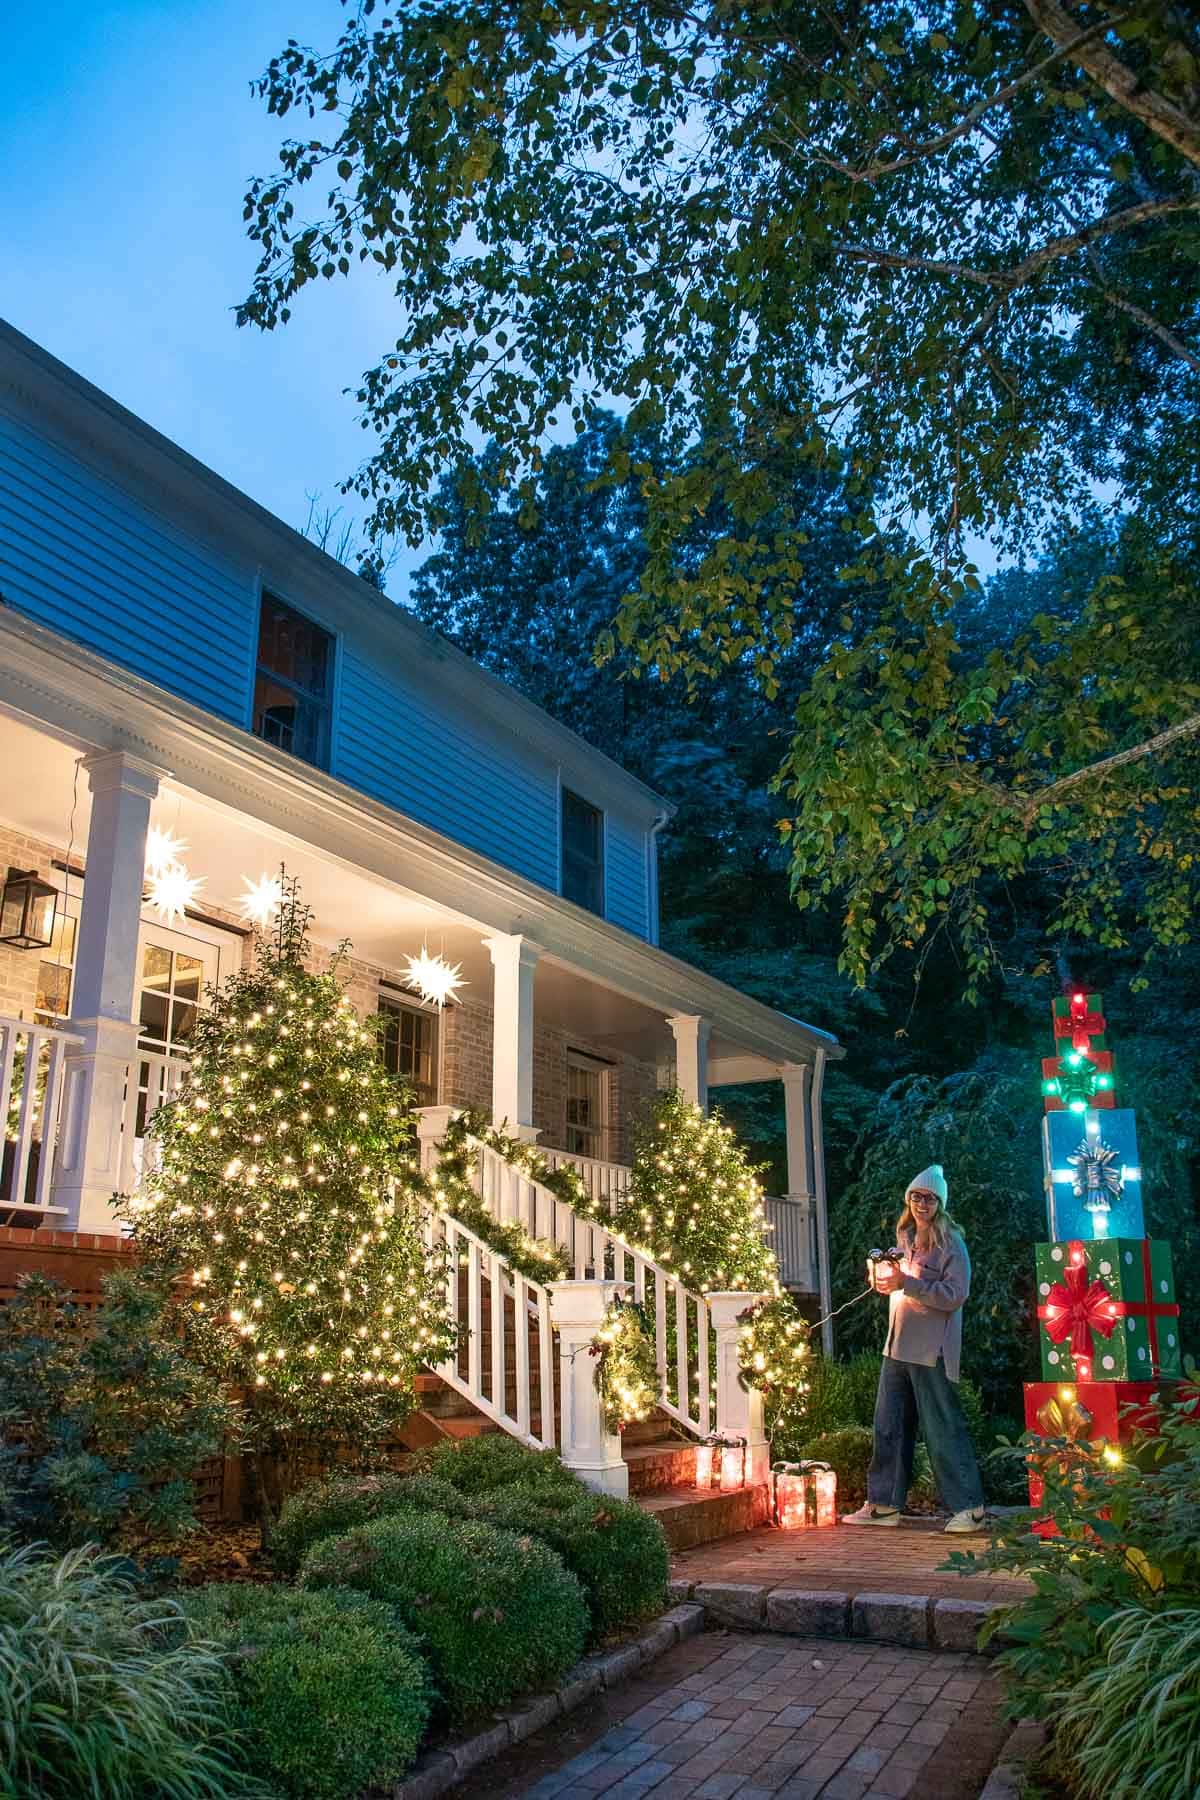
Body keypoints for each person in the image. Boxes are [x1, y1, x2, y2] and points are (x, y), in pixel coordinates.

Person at [843, 1164, 987, 1534]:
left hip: (930, 1349)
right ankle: (884, 1504)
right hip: (898, 1346)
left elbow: (956, 1295)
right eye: (916, 1196)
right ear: (908, 1199)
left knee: (941, 1428)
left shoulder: (951, 1243)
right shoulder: (904, 1238)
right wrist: (882, 1280)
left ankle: (968, 1508)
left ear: (940, 1203)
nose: (922, 1203)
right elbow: (898, 1284)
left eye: (930, 1198)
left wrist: (908, 1283)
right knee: (888, 1425)